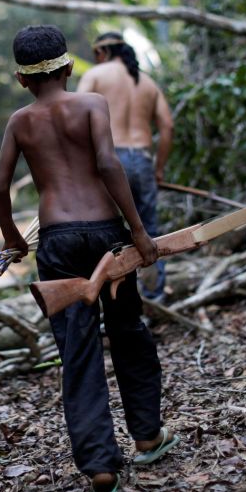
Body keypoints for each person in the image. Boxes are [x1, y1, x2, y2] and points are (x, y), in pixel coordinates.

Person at [0, 25, 179, 492]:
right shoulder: (92, 105)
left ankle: (99, 466)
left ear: (22, 80)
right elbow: (108, 164)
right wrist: (139, 231)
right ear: (71, 67)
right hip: (106, 235)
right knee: (128, 331)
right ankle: (147, 435)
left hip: (56, 240)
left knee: (78, 349)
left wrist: (14, 239)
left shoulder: (20, 121)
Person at [76, 33, 174, 301]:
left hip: (109, 162)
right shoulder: (148, 82)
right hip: (142, 160)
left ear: (102, 53)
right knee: (149, 233)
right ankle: (154, 299)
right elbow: (167, 127)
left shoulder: (96, 75)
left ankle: (112, 300)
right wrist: (159, 168)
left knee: (106, 234)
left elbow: (73, 117)